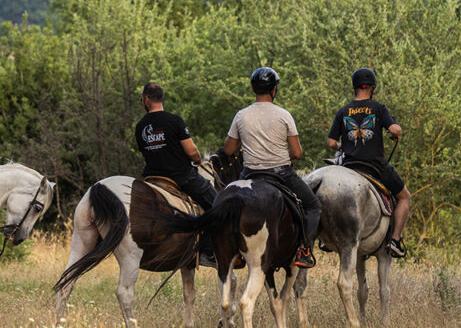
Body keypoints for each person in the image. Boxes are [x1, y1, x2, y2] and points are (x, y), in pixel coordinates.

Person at [224, 67, 321, 268]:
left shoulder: (241, 115)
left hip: (249, 174)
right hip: (281, 173)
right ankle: (304, 250)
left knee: (224, 203)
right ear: (274, 90)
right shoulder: (284, 115)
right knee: (313, 206)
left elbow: (229, 149)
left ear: (254, 89)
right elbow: (297, 153)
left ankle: (233, 250)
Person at [327, 67, 412, 258]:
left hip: (349, 168)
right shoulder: (378, 108)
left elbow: (331, 142)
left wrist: (343, 145)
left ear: (355, 87)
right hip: (374, 167)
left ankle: (326, 236)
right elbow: (396, 130)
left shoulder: (343, 111)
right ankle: (395, 241)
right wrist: (395, 131)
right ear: (372, 87)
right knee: (405, 197)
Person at [134, 82, 219, 265]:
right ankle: (208, 251)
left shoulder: (140, 126)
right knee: (218, 205)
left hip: (152, 179)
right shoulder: (174, 120)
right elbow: (191, 151)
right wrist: (197, 160)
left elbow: (148, 153)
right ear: (159, 98)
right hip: (181, 177)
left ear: (147, 99)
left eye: (142, 99)